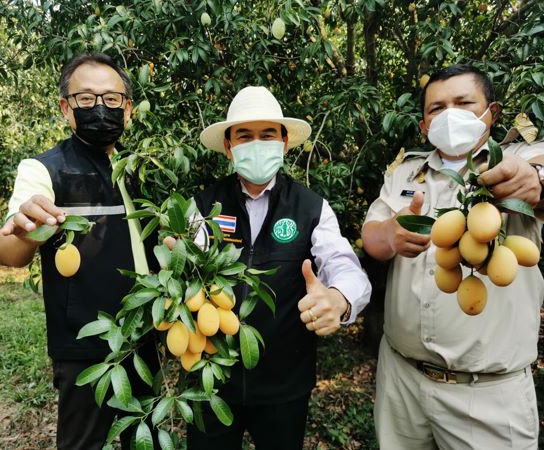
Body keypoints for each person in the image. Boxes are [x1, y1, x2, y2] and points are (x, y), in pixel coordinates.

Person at [362, 65, 544, 449]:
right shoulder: (405, 172)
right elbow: (372, 238)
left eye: (463, 103)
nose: (449, 115)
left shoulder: (518, 159)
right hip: (402, 381)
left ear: (491, 112)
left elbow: (535, 177)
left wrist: (536, 183)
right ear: (425, 126)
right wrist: (391, 236)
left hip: (489, 395)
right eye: (436, 109)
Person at [187, 86, 372, 450]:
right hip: (210, 381)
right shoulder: (203, 205)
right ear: (229, 146)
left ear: (284, 143)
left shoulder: (310, 207)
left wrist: (339, 299)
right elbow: (186, 276)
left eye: (267, 134)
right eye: (245, 136)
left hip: (284, 385)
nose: (257, 143)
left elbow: (343, 265)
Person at [0, 53, 157, 449]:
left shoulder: (138, 169)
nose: (100, 107)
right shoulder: (44, 169)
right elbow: (8, 252)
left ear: (128, 108)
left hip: (142, 333)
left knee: (144, 437)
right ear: (66, 108)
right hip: (85, 341)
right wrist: (24, 228)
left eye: (111, 98)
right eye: (86, 99)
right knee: (84, 442)